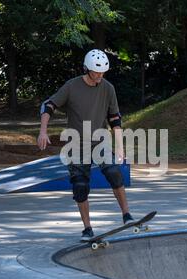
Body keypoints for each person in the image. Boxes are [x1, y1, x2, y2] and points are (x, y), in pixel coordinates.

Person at [37, 49, 135, 241]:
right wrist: (43, 131)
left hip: (100, 141)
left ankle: (127, 215)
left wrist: (121, 147)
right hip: (76, 145)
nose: (100, 76)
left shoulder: (108, 88)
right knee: (80, 185)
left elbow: (115, 119)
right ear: (87, 68)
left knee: (114, 173)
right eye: (96, 72)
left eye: (103, 72)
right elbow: (48, 105)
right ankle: (87, 229)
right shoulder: (72, 86)